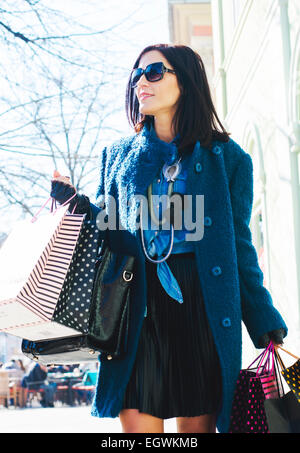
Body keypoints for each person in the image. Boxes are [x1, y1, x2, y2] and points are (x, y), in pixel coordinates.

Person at [50, 44, 288, 433]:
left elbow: (239, 249)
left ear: (187, 79)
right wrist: (75, 204)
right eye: (137, 75)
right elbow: (107, 235)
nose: (141, 81)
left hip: (202, 306)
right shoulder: (118, 155)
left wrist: (262, 318)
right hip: (135, 309)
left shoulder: (228, 159)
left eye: (155, 72)